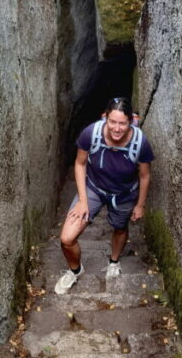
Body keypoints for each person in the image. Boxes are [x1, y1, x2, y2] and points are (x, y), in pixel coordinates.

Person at [55, 96, 154, 295]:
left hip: (124, 194)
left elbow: (144, 175)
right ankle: (75, 271)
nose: (117, 128)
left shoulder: (140, 142)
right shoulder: (91, 134)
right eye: (113, 122)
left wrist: (140, 204)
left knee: (119, 227)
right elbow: (80, 163)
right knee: (67, 238)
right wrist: (83, 201)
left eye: (123, 123)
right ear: (105, 118)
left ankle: (114, 261)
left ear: (131, 121)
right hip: (93, 188)